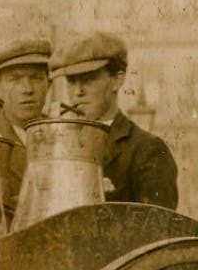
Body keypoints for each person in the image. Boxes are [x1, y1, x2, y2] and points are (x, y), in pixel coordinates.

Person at [48, 31, 178, 208]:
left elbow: (158, 228)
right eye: (71, 81)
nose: (78, 91)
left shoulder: (147, 151)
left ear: (117, 80)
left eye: (89, 80)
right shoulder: (61, 146)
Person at [0, 38, 51, 220]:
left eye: (36, 78)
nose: (27, 89)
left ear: (49, 84)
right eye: (15, 79)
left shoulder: (63, 137)